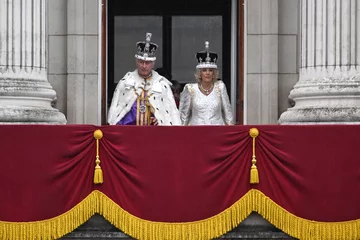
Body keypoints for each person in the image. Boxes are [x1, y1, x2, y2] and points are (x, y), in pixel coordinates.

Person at [107, 33, 181, 126]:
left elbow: (169, 117)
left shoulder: (162, 85)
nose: (144, 66)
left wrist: (159, 120)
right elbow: (116, 116)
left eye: (148, 63)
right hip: (130, 133)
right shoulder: (126, 83)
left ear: (153, 64)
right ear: (136, 62)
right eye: (141, 62)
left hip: (153, 135)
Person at [179, 41, 234, 125]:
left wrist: (230, 132)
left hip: (218, 133)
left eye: (210, 70)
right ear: (200, 73)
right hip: (196, 133)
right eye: (204, 70)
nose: (207, 73)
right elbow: (184, 116)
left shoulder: (220, 87)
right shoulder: (190, 89)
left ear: (214, 73)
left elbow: (228, 114)